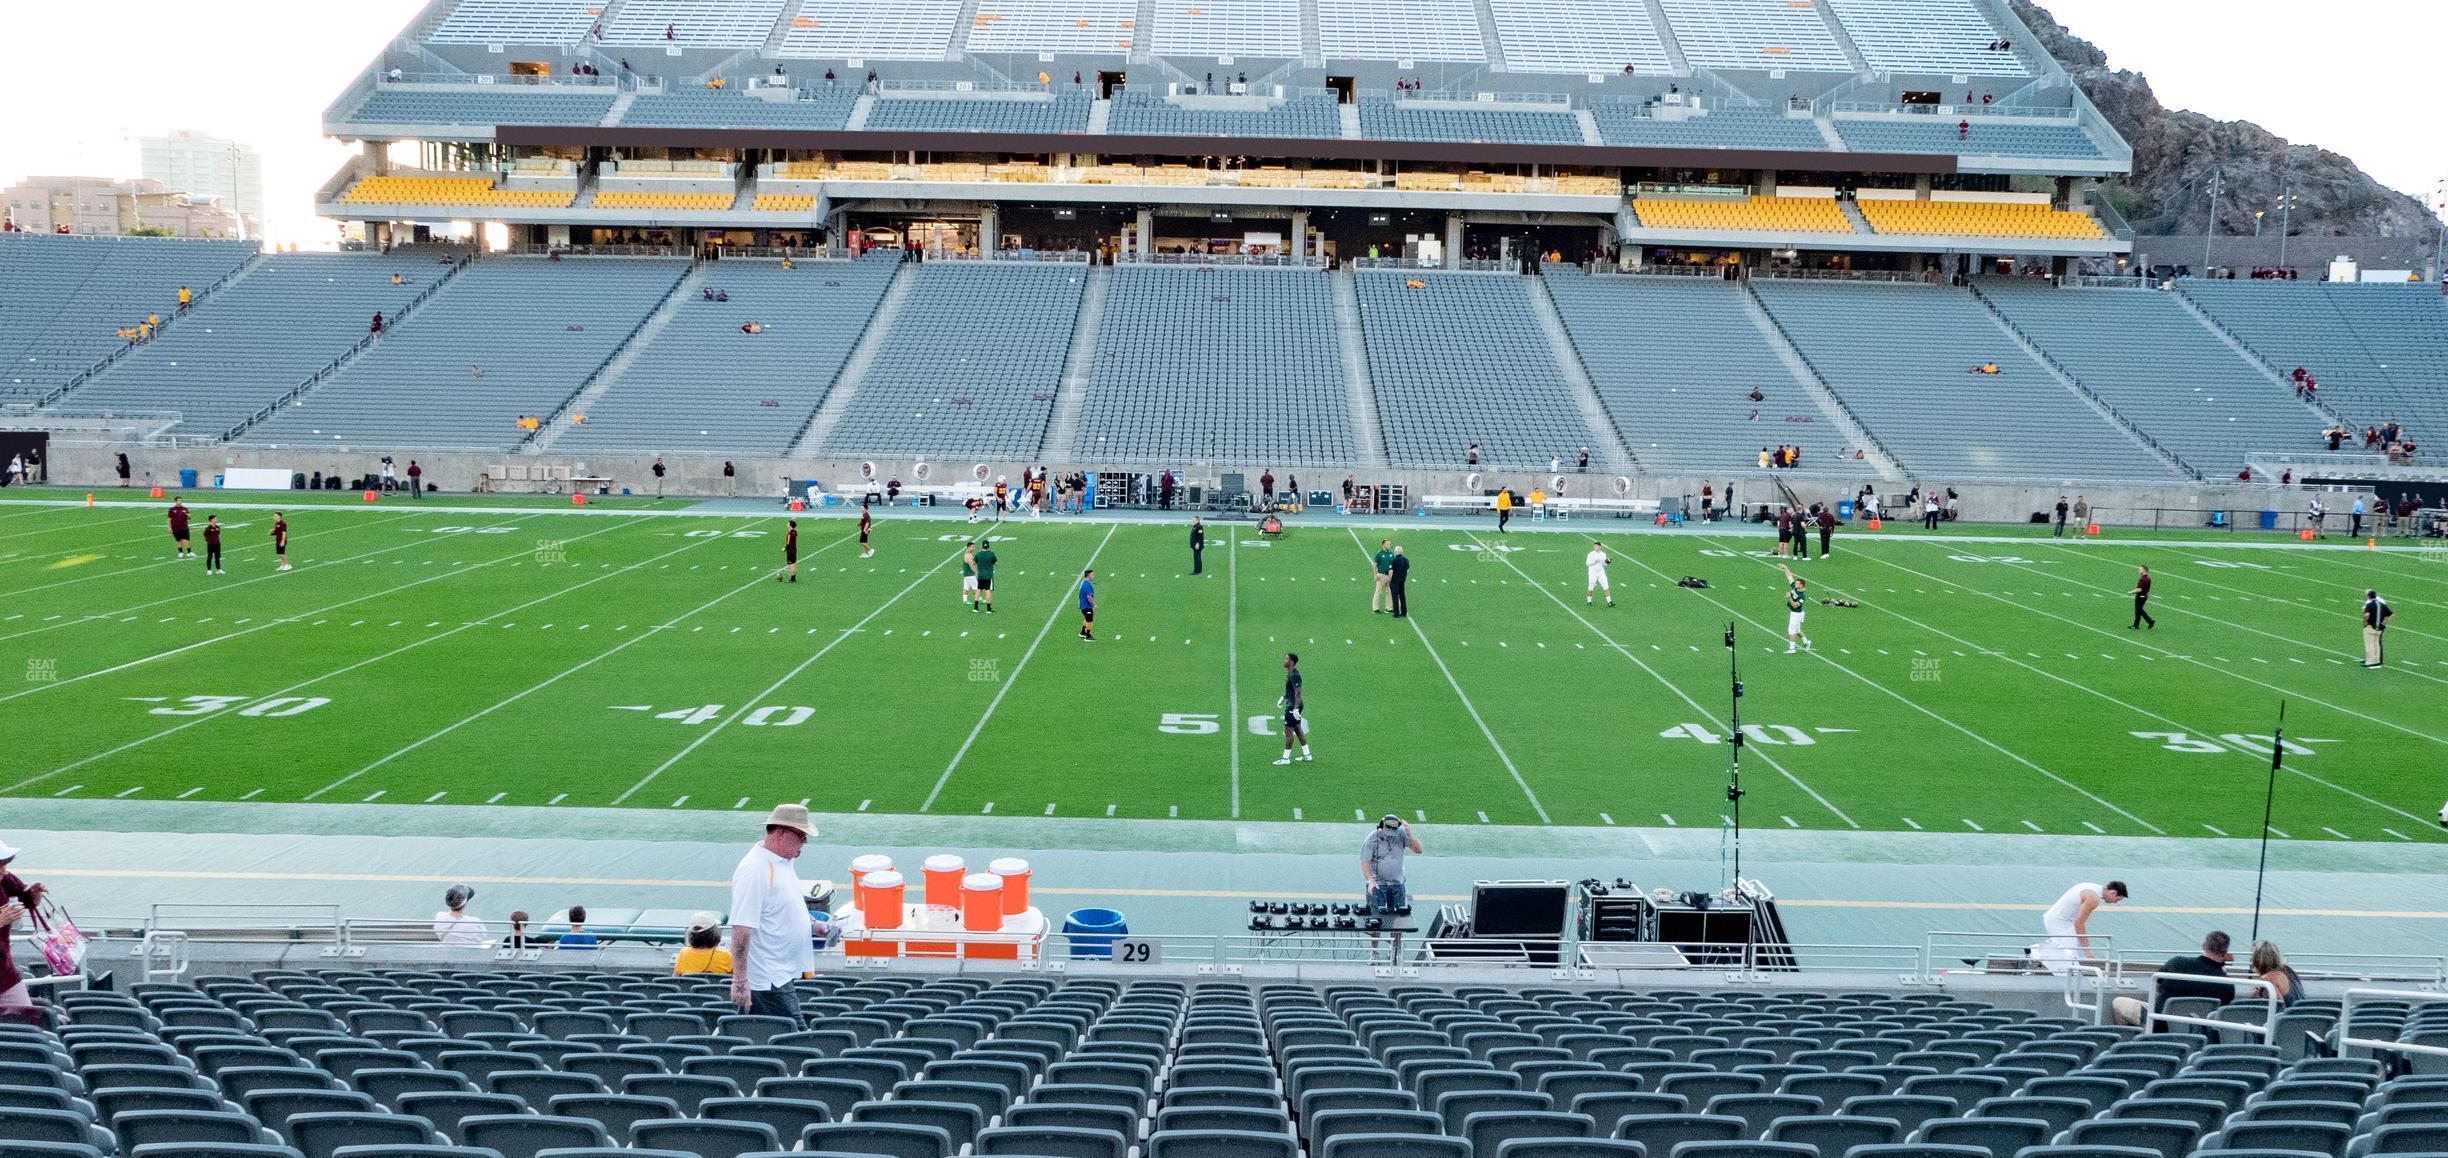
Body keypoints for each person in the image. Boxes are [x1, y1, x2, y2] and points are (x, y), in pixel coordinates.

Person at [729, 804, 817, 1021]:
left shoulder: (782, 862)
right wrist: (740, 981)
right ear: (781, 832)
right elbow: (741, 927)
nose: (804, 841)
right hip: (768, 978)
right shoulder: (755, 869)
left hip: (780, 972)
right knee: (796, 1038)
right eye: (801, 835)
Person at [2110, 930, 2231, 1026]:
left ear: (2204, 945)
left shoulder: (2177, 963)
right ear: (2225, 952)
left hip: (2159, 1022)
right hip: (2198, 1029)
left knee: (2118, 1002)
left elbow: (2156, 987)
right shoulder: (2227, 984)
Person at [0, 840, 51, 1026]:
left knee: (26, 1023)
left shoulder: (4, 878)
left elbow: (24, 898)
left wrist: (34, 894)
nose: (4, 871)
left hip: (4, 973)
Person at [2032, 880, 2126, 972]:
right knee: (2069, 957)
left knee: (2078, 954)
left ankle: (2038, 954)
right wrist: (2086, 948)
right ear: (2113, 893)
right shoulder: (2093, 898)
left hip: (2063, 921)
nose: (2115, 902)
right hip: (2058, 922)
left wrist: (2084, 947)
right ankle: (2037, 954)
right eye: (2117, 899)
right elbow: (2079, 923)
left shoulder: (2092, 886)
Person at [1362, 815, 1420, 912]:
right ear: (1381, 827)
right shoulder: (1371, 839)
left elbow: (1418, 850)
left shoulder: (1401, 834)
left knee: (1399, 917)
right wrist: (1370, 880)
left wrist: (1410, 834)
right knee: (1376, 916)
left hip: (1397, 884)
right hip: (1378, 885)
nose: (1390, 835)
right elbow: (1365, 863)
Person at [1273, 652, 1312, 765]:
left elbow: (1298, 692)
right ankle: (1307, 755)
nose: (1284, 660)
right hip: (1293, 704)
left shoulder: (1294, 675)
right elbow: (1290, 691)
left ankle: (1285, 759)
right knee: (1297, 729)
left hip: (1293, 706)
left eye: (1286, 659)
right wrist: (1284, 697)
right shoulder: (1290, 673)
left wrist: (1295, 709)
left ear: (1292, 662)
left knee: (1288, 732)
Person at [2250, 939, 2303, 1009]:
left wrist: (2256, 998)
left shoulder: (2267, 979)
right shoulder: (2288, 970)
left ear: (2256, 959)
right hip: (2299, 1013)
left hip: (2286, 1017)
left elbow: (2278, 1007)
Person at [1781, 563, 1811, 654]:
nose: (1795, 584)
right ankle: (1806, 642)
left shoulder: (1801, 596)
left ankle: (1792, 648)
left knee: (1791, 630)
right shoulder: (1795, 587)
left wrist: (1789, 597)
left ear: (1801, 585)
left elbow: (1795, 605)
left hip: (1796, 613)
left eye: (1797, 583)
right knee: (1797, 630)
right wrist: (1785, 568)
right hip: (1796, 613)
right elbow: (1789, 577)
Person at [2362, 588, 2392, 668]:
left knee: (2370, 645)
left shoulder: (2369, 604)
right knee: (2377, 644)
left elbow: (2366, 615)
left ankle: (2370, 662)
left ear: (2368, 596)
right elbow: (2391, 615)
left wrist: (2365, 623)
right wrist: (2384, 622)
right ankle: (2377, 661)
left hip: (2371, 626)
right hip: (2380, 627)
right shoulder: (2382, 603)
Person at [1370, 538, 1395, 614]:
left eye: (1389, 544)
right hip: (1381, 575)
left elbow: (1393, 564)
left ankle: (1389, 608)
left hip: (1389, 576)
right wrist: (1375, 575)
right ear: (1383, 544)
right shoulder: (1379, 554)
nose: (1389, 545)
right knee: (1378, 592)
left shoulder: (1391, 554)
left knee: (1390, 592)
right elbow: (1374, 565)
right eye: (1387, 544)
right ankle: (1375, 608)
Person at [972, 539, 997, 613]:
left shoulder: (978, 554)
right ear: (988, 546)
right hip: (988, 575)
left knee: (978, 590)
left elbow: (973, 562)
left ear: (982, 546)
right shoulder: (991, 554)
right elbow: (996, 563)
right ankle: (988, 609)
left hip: (980, 575)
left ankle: (976, 607)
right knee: (988, 590)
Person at [1586, 541, 1612, 607]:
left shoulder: (1603, 554)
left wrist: (1608, 562)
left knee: (1606, 587)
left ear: (1600, 547)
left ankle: (1609, 602)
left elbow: (1604, 564)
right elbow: (1587, 563)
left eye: (1596, 546)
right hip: (1592, 573)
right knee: (1590, 588)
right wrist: (1594, 561)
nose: (1595, 547)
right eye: (1594, 546)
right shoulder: (1591, 554)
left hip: (1601, 572)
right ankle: (1589, 601)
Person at [2129, 565, 2155, 629]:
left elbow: (2139, 589)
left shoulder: (2143, 579)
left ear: (2144, 570)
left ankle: (2150, 621)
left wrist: (2131, 592)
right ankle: (2136, 625)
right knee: (2139, 610)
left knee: (2139, 610)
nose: (2139, 570)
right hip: (2144, 595)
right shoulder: (2148, 578)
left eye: (2140, 569)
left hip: (2140, 596)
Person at [1388, 545, 1409, 618]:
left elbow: (1391, 571)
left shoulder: (1393, 560)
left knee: (1395, 597)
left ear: (1396, 552)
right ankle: (1404, 612)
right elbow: (1407, 570)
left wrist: (1389, 580)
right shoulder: (1406, 560)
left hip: (1394, 581)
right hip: (1402, 581)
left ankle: (1396, 613)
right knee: (1402, 596)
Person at [1077, 568, 1096, 641]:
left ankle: (1082, 633)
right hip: (1086, 606)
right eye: (1092, 575)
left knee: (1087, 618)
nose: (1093, 576)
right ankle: (1088, 636)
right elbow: (1089, 597)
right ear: (1088, 576)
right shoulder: (1087, 585)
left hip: (1083, 605)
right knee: (1089, 620)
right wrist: (1093, 605)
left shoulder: (1084, 583)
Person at [960, 541, 979, 607]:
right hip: (970, 574)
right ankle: (978, 598)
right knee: (975, 587)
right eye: (972, 547)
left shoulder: (967, 554)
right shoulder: (968, 555)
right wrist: (976, 572)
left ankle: (965, 600)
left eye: (974, 547)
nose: (973, 548)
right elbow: (971, 565)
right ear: (968, 547)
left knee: (966, 587)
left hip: (966, 574)